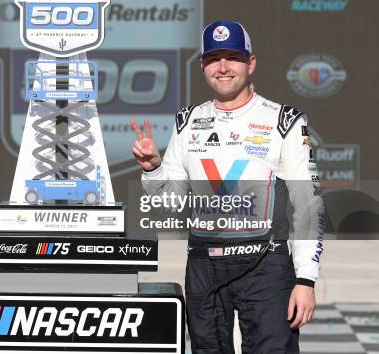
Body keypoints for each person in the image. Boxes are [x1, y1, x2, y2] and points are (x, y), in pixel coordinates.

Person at [130, 20, 324, 354]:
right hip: (204, 265)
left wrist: (305, 279)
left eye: (232, 57)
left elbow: (308, 204)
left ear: (250, 63)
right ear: (203, 65)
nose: (223, 67)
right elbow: (171, 202)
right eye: (214, 58)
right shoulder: (188, 121)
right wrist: (154, 169)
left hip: (266, 266)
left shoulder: (285, 121)